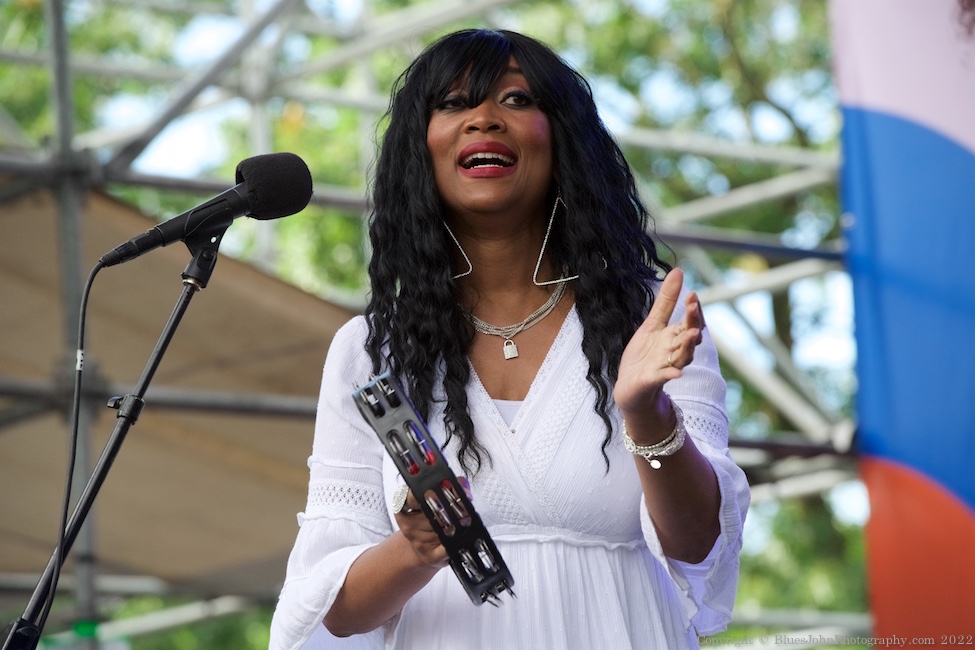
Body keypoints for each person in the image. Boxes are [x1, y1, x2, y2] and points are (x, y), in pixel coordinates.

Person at [269, 28, 750, 649]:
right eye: (453, 103)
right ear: (420, 148)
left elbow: (698, 543)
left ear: (562, 138)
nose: (484, 119)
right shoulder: (372, 350)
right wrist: (416, 548)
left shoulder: (648, 319)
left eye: (517, 99)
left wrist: (646, 414)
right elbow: (333, 609)